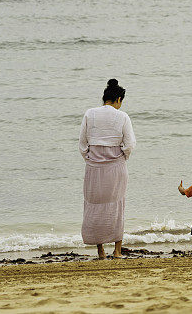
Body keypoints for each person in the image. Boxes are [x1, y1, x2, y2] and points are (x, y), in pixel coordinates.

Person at [79, 78, 136, 259]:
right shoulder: (123, 116)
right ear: (119, 99)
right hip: (116, 168)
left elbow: (82, 143)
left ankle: (100, 250)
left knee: (94, 206)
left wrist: (90, 158)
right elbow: (130, 144)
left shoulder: (90, 114)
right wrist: (120, 157)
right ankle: (118, 250)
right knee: (118, 206)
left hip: (94, 168)